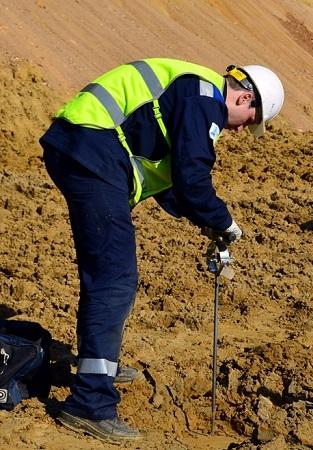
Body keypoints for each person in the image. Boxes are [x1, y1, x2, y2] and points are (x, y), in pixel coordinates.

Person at [39, 58, 284, 443]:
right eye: (248, 121)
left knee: (106, 273)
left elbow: (171, 183)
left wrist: (203, 220)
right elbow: (192, 175)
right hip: (92, 151)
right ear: (245, 97)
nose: (240, 130)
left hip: (85, 148)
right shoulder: (205, 96)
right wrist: (223, 221)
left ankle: (98, 369)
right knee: (115, 279)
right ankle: (90, 403)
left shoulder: (191, 91)